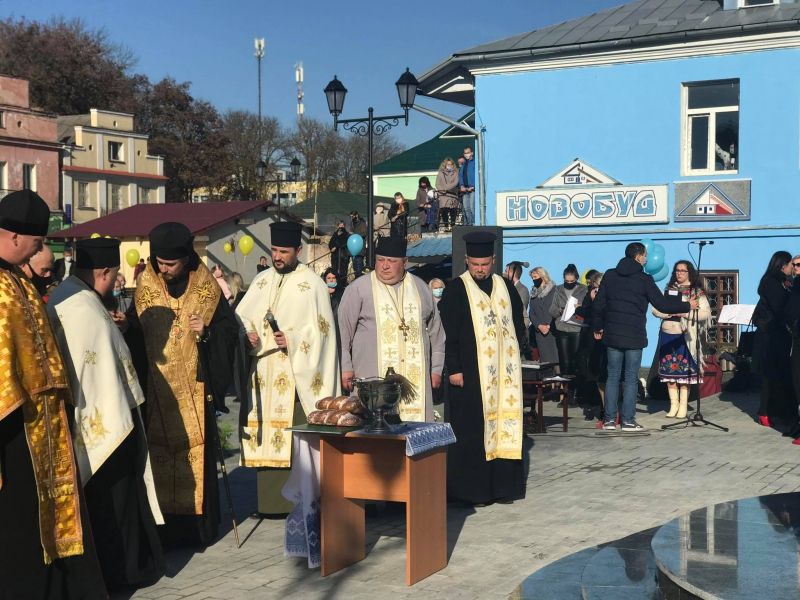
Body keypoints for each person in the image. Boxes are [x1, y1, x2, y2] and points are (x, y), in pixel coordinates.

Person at [0, 190, 107, 599]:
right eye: (38, 243)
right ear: (14, 238)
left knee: (42, 520)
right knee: (17, 522)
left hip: (40, 424)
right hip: (13, 428)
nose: (40, 251)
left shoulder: (18, 282)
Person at [48, 237, 166, 590]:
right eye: (114, 276)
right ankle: (126, 572)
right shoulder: (86, 309)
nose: (116, 284)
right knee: (117, 506)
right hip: (107, 427)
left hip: (85, 419)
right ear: (102, 272)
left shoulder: (65, 294)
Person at [127, 222, 239, 547]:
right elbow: (136, 334)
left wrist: (207, 331)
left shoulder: (206, 287)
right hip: (156, 394)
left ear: (186, 259)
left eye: (170, 264)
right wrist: (125, 328)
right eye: (159, 263)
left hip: (194, 395)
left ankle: (196, 532)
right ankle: (164, 532)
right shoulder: (146, 286)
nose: (163, 270)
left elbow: (228, 332)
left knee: (195, 458)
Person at [236, 222, 340, 515]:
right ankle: (269, 504)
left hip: (294, 375)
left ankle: (297, 500)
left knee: (294, 438)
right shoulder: (261, 281)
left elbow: (323, 332)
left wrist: (292, 339)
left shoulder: (313, 285)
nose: (278, 257)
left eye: (284, 251)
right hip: (264, 373)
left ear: (298, 250)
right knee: (267, 434)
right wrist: (248, 335)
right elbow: (241, 317)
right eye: (274, 251)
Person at [439, 231, 526, 505]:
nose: (479, 269)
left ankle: (503, 489)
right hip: (470, 376)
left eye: (484, 264)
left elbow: (519, 324)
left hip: (505, 377)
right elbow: (447, 333)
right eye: (475, 264)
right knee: (471, 433)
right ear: (467, 261)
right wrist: (454, 368)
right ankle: (471, 492)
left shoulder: (505, 287)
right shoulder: (456, 289)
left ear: (493, 260)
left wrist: (517, 350)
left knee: (504, 426)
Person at [338, 236, 445, 422]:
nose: (384, 266)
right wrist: (346, 368)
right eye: (380, 260)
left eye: (391, 261)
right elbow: (342, 333)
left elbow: (437, 333)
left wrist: (436, 369)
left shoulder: (421, 288)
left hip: (416, 382)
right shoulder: (358, 289)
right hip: (371, 379)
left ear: (404, 262)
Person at [592, 242, 696, 432]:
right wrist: (687, 306)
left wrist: (598, 327)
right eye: (645, 256)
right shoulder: (644, 279)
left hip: (613, 335)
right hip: (633, 335)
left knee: (612, 376)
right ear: (639, 257)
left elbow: (598, 304)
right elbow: (662, 304)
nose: (647, 259)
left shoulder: (610, 275)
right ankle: (628, 421)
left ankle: (609, 420)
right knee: (631, 378)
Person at [653, 261, 712, 420]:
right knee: (668, 371)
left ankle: (683, 405)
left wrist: (686, 313)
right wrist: (668, 313)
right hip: (667, 333)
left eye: (683, 271)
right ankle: (673, 405)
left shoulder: (696, 292)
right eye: (677, 271)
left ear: (689, 273)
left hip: (684, 336)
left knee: (683, 372)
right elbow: (655, 310)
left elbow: (706, 313)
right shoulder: (669, 290)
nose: (679, 274)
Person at [753, 250, 795, 430]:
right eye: (792, 265)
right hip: (770, 335)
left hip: (780, 334)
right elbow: (780, 307)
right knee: (771, 375)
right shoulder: (771, 281)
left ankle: (778, 411)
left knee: (780, 375)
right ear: (783, 265)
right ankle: (765, 412)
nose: (793, 268)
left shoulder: (785, 281)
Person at [549, 264, 588, 392]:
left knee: (576, 360)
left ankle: (577, 391)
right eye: (567, 281)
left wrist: (578, 307)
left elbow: (587, 308)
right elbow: (552, 309)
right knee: (564, 361)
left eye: (572, 281)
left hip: (576, 327)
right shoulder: (558, 289)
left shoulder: (583, 289)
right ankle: (567, 393)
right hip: (562, 327)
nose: (569, 283)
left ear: (576, 278)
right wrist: (560, 311)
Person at [575, 271, 607, 424]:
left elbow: (599, 313)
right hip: (590, 338)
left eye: (595, 286)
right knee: (592, 373)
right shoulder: (591, 294)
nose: (593, 289)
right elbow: (588, 311)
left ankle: (606, 410)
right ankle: (596, 406)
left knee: (603, 374)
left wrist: (594, 302)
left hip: (602, 338)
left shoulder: (607, 296)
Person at [529, 267, 559, 364]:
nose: (533, 279)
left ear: (542, 276)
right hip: (540, 332)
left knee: (556, 360)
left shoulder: (554, 290)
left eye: (535, 277)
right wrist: (539, 325)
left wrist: (549, 325)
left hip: (553, 330)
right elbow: (531, 313)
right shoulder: (533, 294)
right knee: (545, 362)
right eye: (532, 278)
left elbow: (557, 309)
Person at [505, 261, 531, 346]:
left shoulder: (522, 289)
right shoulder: (506, 287)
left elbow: (521, 310)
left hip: (517, 332)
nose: (504, 273)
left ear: (511, 272)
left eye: (506, 271)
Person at [435, 157, 460, 232]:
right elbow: (437, 184)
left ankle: (453, 226)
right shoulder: (440, 173)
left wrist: (446, 188)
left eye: (450, 164)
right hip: (443, 195)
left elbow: (455, 183)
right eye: (447, 164)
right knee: (444, 210)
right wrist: (442, 190)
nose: (449, 166)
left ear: (453, 165)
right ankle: (446, 226)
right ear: (444, 165)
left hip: (452, 195)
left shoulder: (456, 173)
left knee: (453, 210)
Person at [459, 146, 476, 226]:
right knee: (466, 209)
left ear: (472, 153)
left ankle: (474, 223)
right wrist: (461, 186)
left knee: (472, 208)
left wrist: (473, 186)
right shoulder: (463, 164)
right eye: (465, 153)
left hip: (473, 190)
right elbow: (461, 176)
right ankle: (469, 224)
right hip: (465, 190)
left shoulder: (475, 163)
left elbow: (476, 175)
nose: (466, 154)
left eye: (468, 152)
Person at [350, 211, 367, 277]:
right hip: (353, 248)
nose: (351, 218)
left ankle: (360, 279)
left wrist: (354, 235)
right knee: (355, 266)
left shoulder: (362, 223)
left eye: (352, 216)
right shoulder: (352, 223)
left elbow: (364, 233)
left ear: (356, 215)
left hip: (360, 246)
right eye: (350, 216)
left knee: (359, 264)